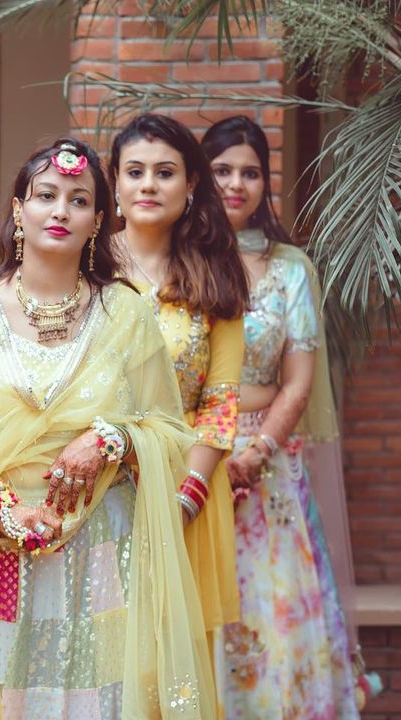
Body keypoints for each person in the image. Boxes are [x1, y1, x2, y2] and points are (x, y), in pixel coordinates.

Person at [0, 138, 215, 719]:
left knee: (103, 696)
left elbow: (169, 427)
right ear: (19, 210)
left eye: (78, 199)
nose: (60, 211)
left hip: (102, 548)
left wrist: (111, 438)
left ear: (99, 218)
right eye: (46, 195)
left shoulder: (126, 311)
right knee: (1, 694)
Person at [202, 115, 363, 717]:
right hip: (195, 462)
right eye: (221, 170)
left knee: (272, 610)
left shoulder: (290, 268)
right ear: (200, 178)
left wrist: (256, 451)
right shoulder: (181, 261)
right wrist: (212, 453)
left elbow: (296, 383)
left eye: (250, 172)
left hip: (268, 471)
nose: (236, 184)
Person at [110, 113, 248, 683]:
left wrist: (181, 501)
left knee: (172, 665)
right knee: (101, 649)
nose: (148, 185)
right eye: (134, 171)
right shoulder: (85, 269)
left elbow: (220, 402)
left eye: (164, 173)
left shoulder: (215, 275)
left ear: (191, 184)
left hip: (187, 492)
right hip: (99, 486)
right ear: (113, 184)